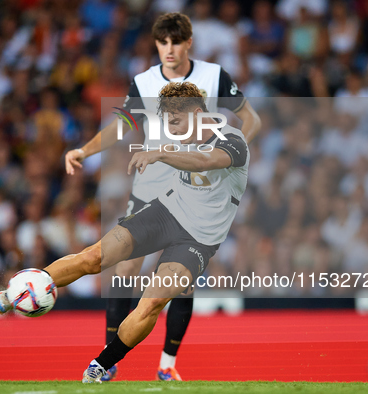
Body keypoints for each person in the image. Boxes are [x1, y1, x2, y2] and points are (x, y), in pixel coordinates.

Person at [0, 81, 250, 383]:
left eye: (176, 122)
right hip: (164, 213)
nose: (173, 129)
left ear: (196, 112)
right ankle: (17, 291)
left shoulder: (233, 140)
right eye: (168, 122)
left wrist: (160, 154)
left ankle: (101, 366)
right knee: (94, 258)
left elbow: (205, 160)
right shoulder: (181, 135)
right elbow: (122, 126)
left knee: (152, 302)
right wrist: (85, 150)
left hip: (199, 239)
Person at [64, 12, 260, 381]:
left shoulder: (214, 76)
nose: (168, 49)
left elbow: (251, 119)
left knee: (176, 280)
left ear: (188, 43)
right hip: (152, 184)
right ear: (156, 44)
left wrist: (233, 155)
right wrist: (84, 151)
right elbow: (122, 125)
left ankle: (167, 364)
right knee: (123, 269)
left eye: (175, 41)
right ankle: (109, 360)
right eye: (162, 42)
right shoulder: (144, 81)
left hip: (197, 188)